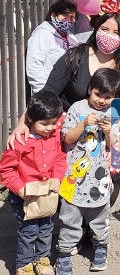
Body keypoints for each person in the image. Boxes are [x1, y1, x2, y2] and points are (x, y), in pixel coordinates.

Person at [8, 5, 120, 145]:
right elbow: (47, 93)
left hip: (106, 137)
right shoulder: (75, 57)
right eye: (104, 29)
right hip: (68, 133)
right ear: (96, 30)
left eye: (116, 32)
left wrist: (114, 144)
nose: (109, 35)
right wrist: (23, 122)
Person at [55, 68, 120, 274]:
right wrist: (83, 124)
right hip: (74, 176)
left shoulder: (112, 113)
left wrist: (108, 130)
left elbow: (114, 143)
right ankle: (65, 254)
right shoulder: (77, 108)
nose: (102, 101)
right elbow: (67, 138)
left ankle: (101, 247)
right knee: (69, 217)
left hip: (99, 177)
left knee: (100, 216)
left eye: (108, 97)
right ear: (89, 90)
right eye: (98, 95)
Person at [0, 91, 66, 275]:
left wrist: (57, 177)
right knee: (29, 230)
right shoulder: (20, 142)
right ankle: (24, 263)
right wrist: (19, 188)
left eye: (53, 123)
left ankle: (42, 259)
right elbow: (6, 170)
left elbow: (60, 159)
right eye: (44, 124)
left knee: (46, 227)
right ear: (30, 119)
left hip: (46, 194)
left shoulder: (55, 136)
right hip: (24, 195)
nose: (49, 128)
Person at [26, 0, 79, 94]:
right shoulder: (42, 35)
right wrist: (44, 93)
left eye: (71, 17)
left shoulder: (71, 37)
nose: (69, 20)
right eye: (65, 16)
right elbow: (34, 65)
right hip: (49, 93)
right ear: (53, 15)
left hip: (67, 95)